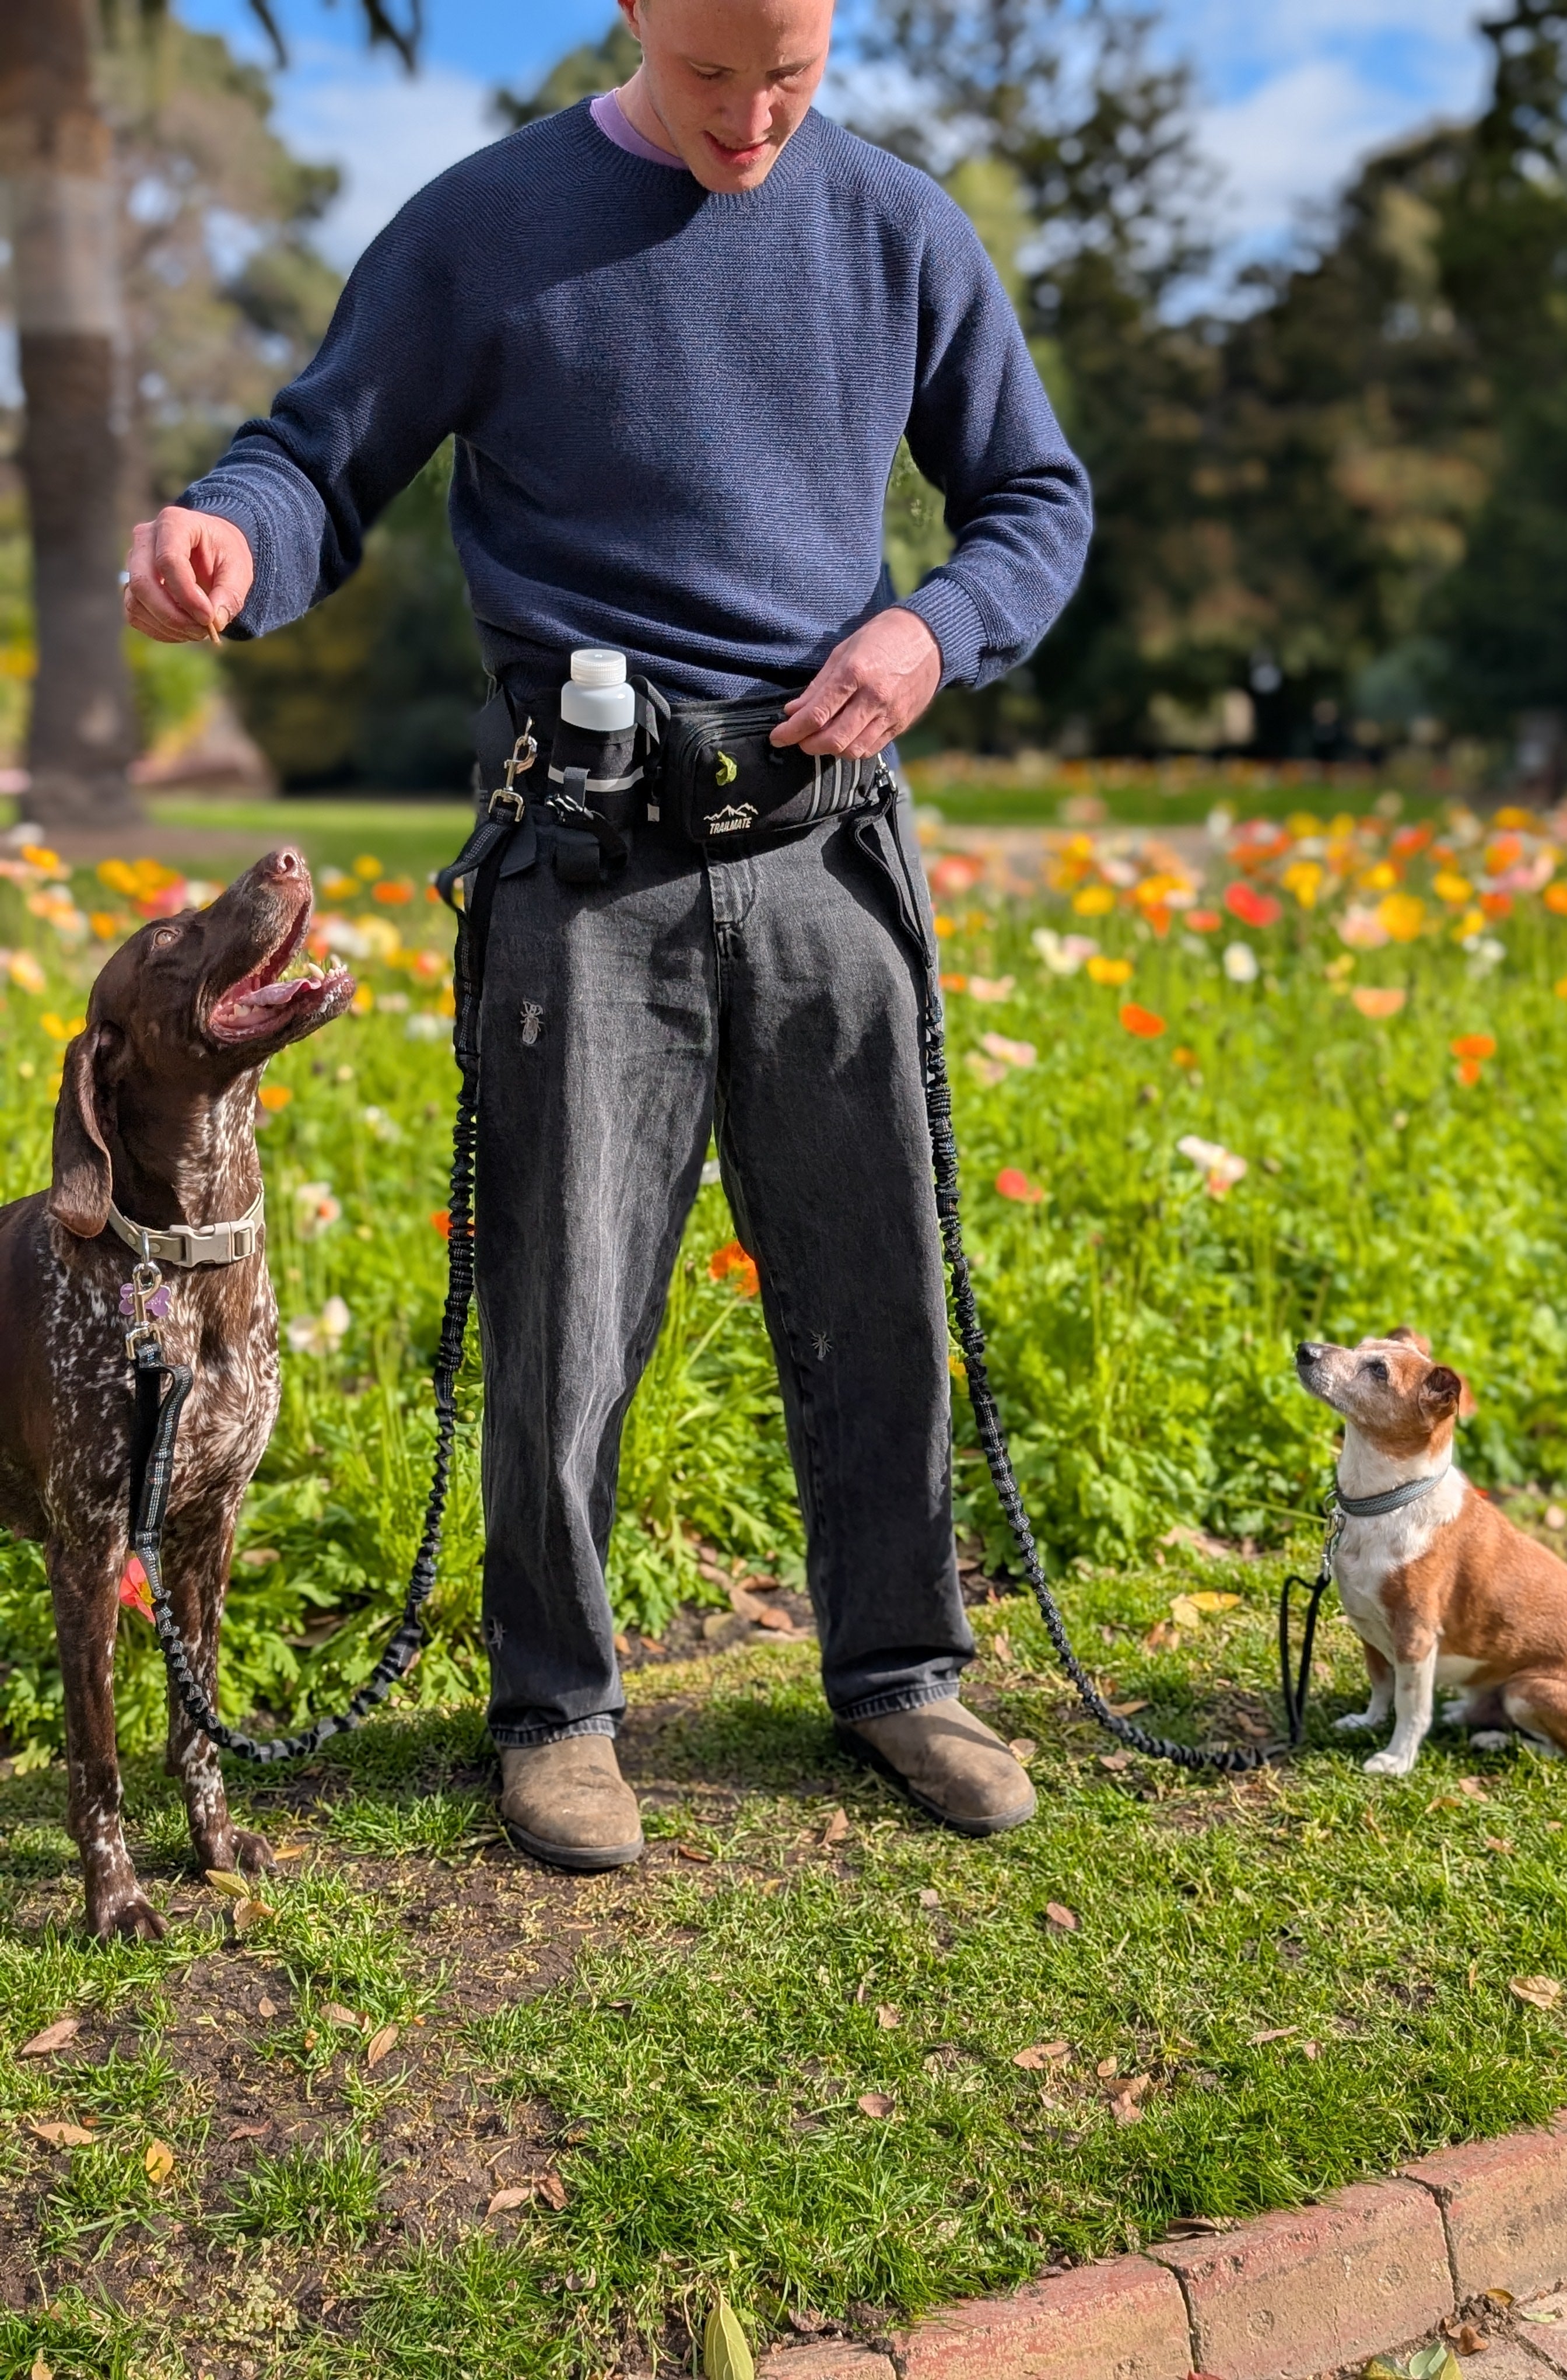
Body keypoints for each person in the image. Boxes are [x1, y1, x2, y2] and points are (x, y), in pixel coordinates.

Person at [124, 0, 1093, 1870]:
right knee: (565, 1308)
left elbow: (1033, 502)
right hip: (583, 869)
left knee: (875, 1288)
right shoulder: (484, 224)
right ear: (638, 13)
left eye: (792, 75)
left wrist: (932, 630)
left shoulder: (901, 227)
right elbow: (316, 460)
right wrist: (230, 545)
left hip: (827, 853)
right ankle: (556, 1713)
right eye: (716, 74)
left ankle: (902, 1673)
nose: (753, 121)